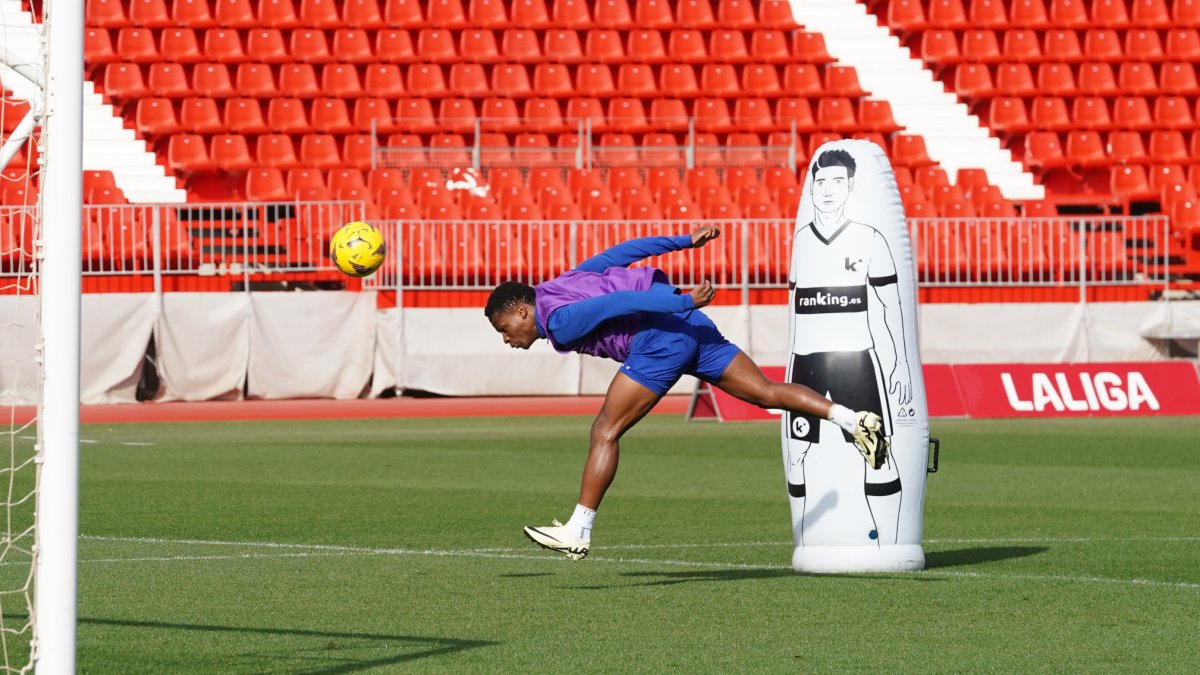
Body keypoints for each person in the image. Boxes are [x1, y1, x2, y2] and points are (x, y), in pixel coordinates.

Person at [484, 225, 889, 561]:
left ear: (522, 311)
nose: (507, 339)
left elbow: (617, 301)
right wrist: (682, 241)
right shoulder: (564, 281)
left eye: (504, 329)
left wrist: (678, 301)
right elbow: (623, 252)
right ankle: (852, 420)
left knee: (604, 430)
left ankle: (579, 529)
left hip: (660, 337)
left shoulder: (557, 320)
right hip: (691, 328)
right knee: (765, 392)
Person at [786, 147, 913, 546]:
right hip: (805, 363)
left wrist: (901, 366)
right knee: (796, 454)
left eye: (837, 181)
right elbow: (793, 309)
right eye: (820, 181)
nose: (827, 190)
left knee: (876, 451)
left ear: (851, 186)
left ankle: (890, 546)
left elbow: (892, 306)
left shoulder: (870, 239)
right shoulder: (802, 243)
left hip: (856, 364)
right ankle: (807, 543)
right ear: (811, 187)